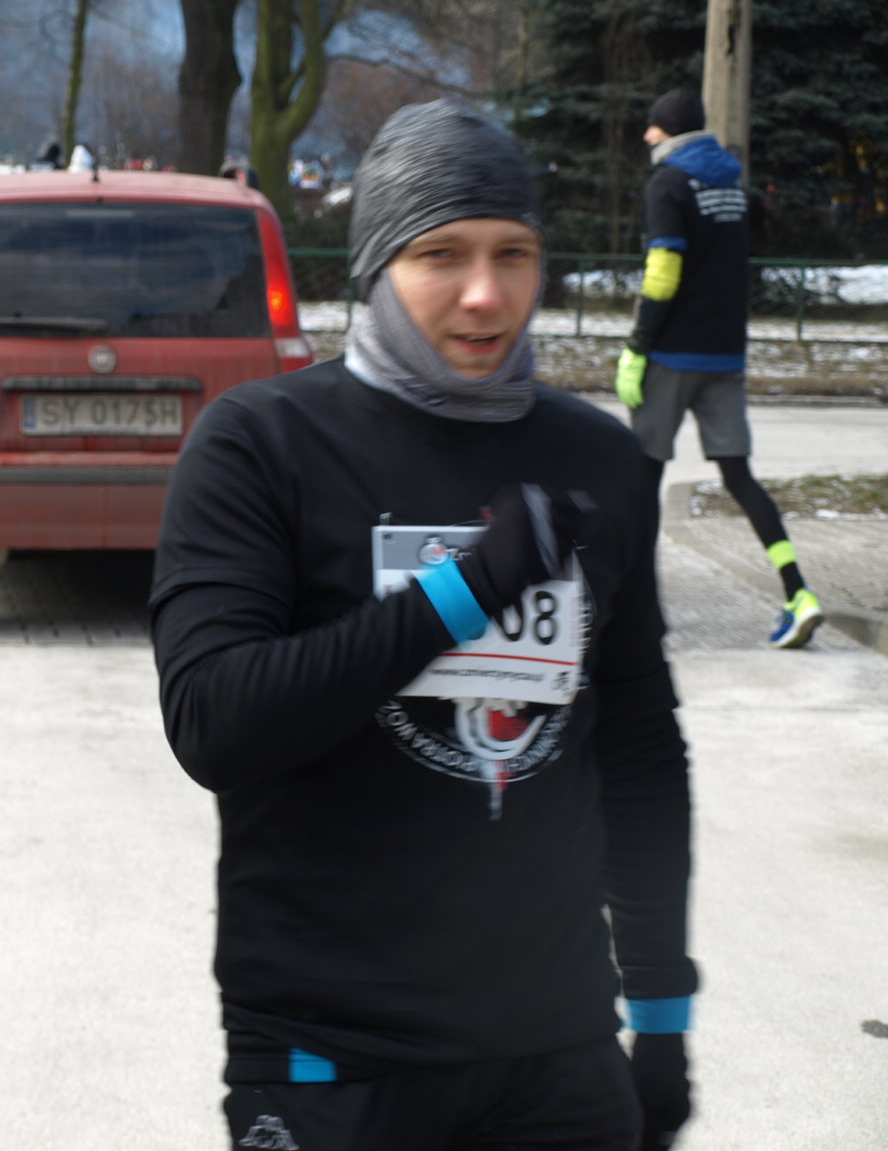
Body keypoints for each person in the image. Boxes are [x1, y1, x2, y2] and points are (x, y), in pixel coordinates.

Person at [151, 100, 695, 1151]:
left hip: (557, 1054)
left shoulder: (596, 460)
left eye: (513, 254)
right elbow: (216, 725)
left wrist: (663, 1011)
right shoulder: (262, 445)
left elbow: (638, 753)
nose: (485, 294)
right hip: (331, 1057)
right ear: (376, 266)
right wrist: (466, 588)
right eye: (440, 254)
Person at [615, 86, 823, 648]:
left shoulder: (668, 183)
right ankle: (798, 592)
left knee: (644, 480)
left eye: (653, 126)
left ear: (670, 132)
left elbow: (662, 274)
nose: (646, 135)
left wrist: (637, 346)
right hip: (725, 355)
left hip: (672, 355)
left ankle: (640, 615)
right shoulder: (731, 184)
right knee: (738, 476)